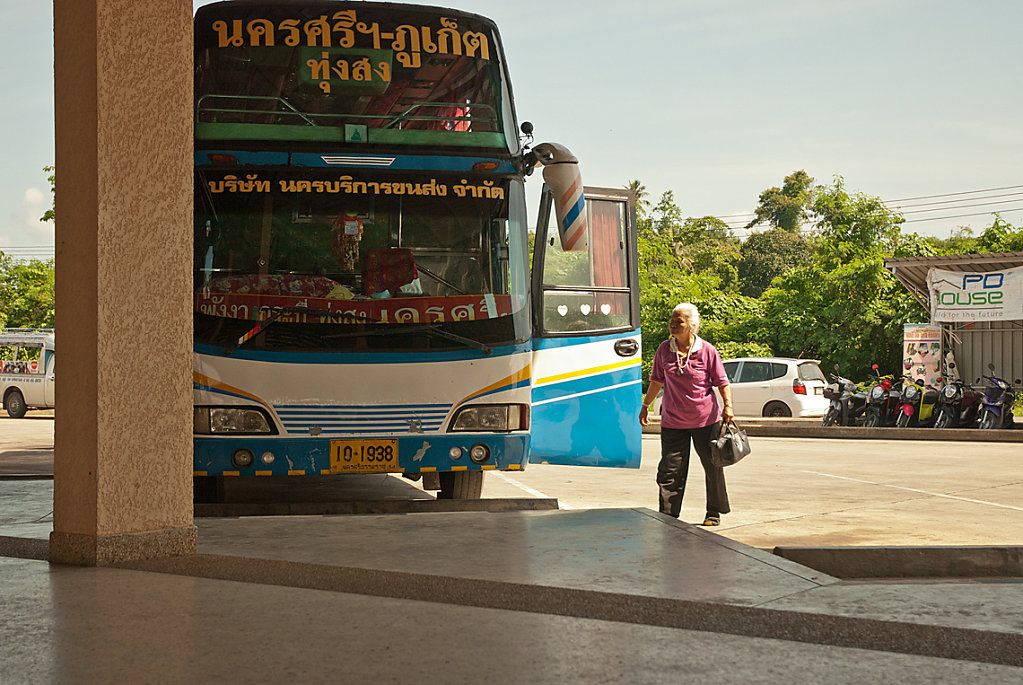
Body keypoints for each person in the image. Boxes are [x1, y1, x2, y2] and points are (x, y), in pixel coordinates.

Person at [639, 303, 734, 526]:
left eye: (678, 321)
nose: (673, 324)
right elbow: (656, 381)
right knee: (670, 470)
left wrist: (728, 406)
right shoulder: (664, 349)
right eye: (672, 320)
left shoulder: (707, 350)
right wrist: (645, 405)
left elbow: (722, 382)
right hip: (673, 420)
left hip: (705, 420)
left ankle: (713, 511)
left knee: (713, 467)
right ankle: (669, 514)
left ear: (691, 325)